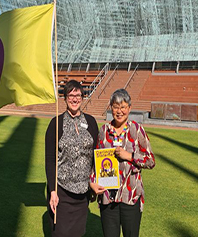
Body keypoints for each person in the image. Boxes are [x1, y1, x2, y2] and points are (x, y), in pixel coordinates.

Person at [90, 89, 155, 237]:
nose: (119, 111)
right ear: (111, 108)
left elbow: (150, 161)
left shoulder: (136, 130)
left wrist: (130, 156)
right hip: (108, 196)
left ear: (129, 108)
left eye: (123, 107)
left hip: (130, 196)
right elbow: (96, 162)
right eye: (115, 107)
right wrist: (92, 182)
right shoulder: (104, 131)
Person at [45, 80, 99, 237]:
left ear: (82, 97)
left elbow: (96, 154)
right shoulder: (56, 123)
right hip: (61, 192)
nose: (75, 99)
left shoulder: (91, 122)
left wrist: (95, 181)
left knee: (78, 233)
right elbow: (50, 160)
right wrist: (52, 191)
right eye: (71, 95)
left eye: (78, 95)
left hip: (83, 194)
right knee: (60, 233)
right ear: (65, 98)